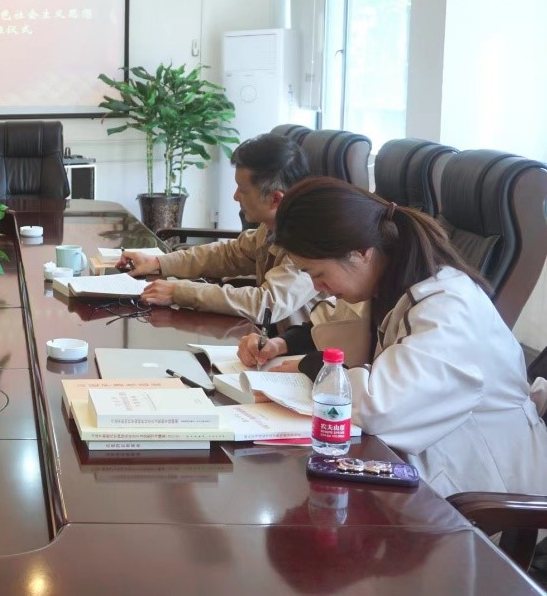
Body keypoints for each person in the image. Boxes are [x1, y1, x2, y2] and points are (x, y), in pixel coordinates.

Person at [239, 177, 547, 497]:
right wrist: (283, 343)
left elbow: (380, 408)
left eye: (319, 275)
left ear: (360, 253)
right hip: (430, 467)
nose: (318, 288)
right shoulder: (391, 281)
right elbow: (336, 323)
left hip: (487, 490)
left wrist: (314, 367)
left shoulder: (448, 308)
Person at [116, 133, 321, 330]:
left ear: (275, 199)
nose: (235, 196)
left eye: (243, 190)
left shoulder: (313, 242)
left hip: (307, 351)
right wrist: (158, 262)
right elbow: (229, 254)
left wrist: (179, 292)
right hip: (270, 342)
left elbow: (264, 304)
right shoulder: (273, 225)